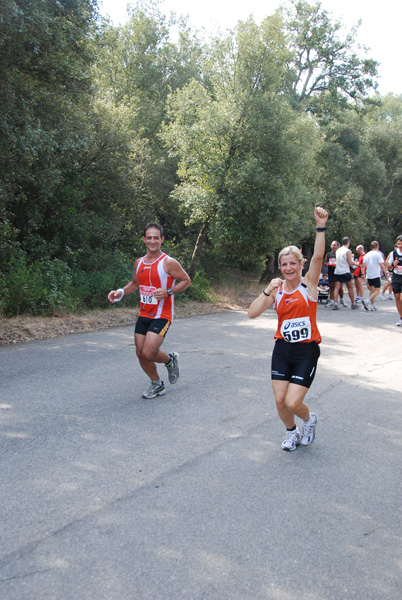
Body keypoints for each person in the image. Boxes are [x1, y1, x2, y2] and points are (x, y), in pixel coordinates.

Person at [248, 206, 328, 452]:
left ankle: (308, 420)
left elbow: (317, 257)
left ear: (300, 264)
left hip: (306, 351)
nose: (288, 268)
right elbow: (252, 313)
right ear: (280, 267)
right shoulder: (278, 290)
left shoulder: (309, 285)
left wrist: (320, 226)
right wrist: (266, 290)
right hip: (282, 349)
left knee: (294, 402)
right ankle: (291, 433)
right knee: (280, 400)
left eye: (293, 263)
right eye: (284, 264)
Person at [108, 223, 191, 398]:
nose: (152, 241)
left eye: (156, 237)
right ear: (144, 239)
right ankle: (157, 383)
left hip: (162, 314)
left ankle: (170, 360)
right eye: (149, 237)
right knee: (140, 353)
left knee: (148, 352)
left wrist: (169, 291)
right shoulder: (139, 262)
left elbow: (186, 280)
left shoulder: (168, 262)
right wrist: (120, 292)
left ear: (162, 240)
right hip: (144, 313)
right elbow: (135, 283)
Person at [362, 241, 389, 311]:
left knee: (372, 291)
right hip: (376, 275)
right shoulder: (378, 254)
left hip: (369, 275)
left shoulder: (367, 254)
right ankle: (367, 301)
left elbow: (363, 265)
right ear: (378, 246)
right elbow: (381, 264)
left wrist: (363, 273)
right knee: (377, 291)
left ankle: (372, 305)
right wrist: (385, 271)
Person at [332, 237, 358, 310]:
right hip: (345, 271)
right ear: (348, 242)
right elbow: (350, 262)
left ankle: (335, 303)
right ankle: (353, 303)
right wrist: (356, 263)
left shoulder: (338, 250)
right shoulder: (348, 251)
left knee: (337, 287)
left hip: (337, 271)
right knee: (350, 288)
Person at [324, 240, 345, 308]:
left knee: (340, 288)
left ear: (338, 246)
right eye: (332, 245)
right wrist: (326, 264)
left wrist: (337, 265)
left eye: (335, 245)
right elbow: (325, 263)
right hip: (331, 273)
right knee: (332, 287)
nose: (333, 247)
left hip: (339, 272)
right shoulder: (329, 254)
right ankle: (332, 301)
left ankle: (342, 299)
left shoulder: (340, 254)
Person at [387, 235, 402, 326]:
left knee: (401, 299)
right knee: (397, 299)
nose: (400, 246)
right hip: (396, 277)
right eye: (399, 244)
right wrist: (393, 263)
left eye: (401, 244)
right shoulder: (394, 253)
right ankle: (401, 318)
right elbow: (388, 266)